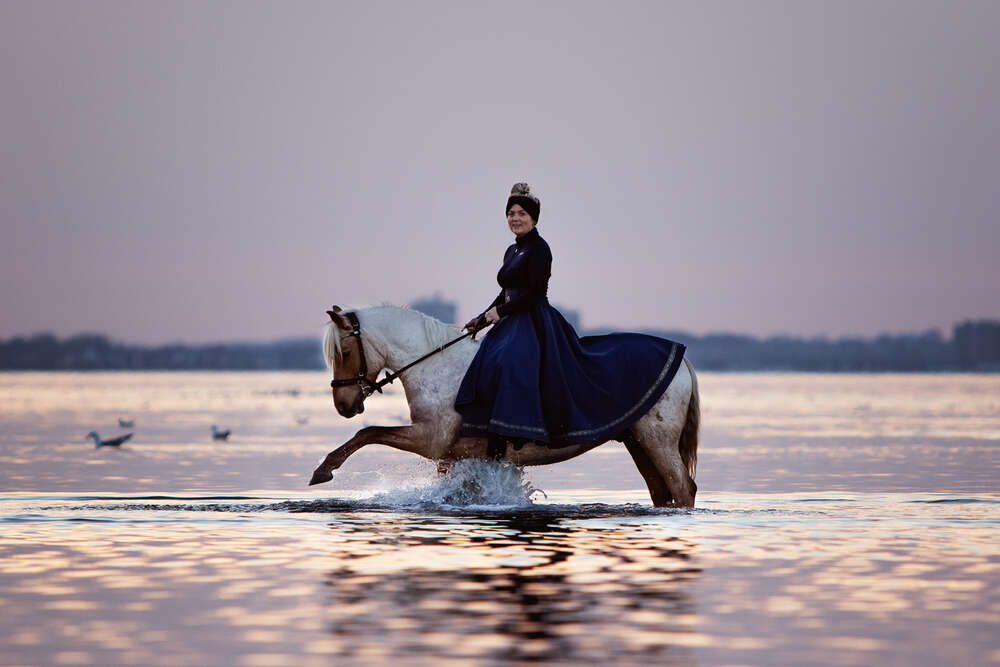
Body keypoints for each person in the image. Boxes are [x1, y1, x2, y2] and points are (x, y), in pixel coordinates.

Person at [455, 183, 686, 457]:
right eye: (511, 213)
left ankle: (517, 432)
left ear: (534, 218)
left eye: (521, 213)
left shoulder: (540, 249)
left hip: (533, 320)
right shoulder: (511, 251)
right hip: (511, 321)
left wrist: (501, 313)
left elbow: (535, 293)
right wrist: (482, 318)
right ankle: (486, 435)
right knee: (486, 359)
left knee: (511, 362)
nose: (515, 218)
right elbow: (505, 293)